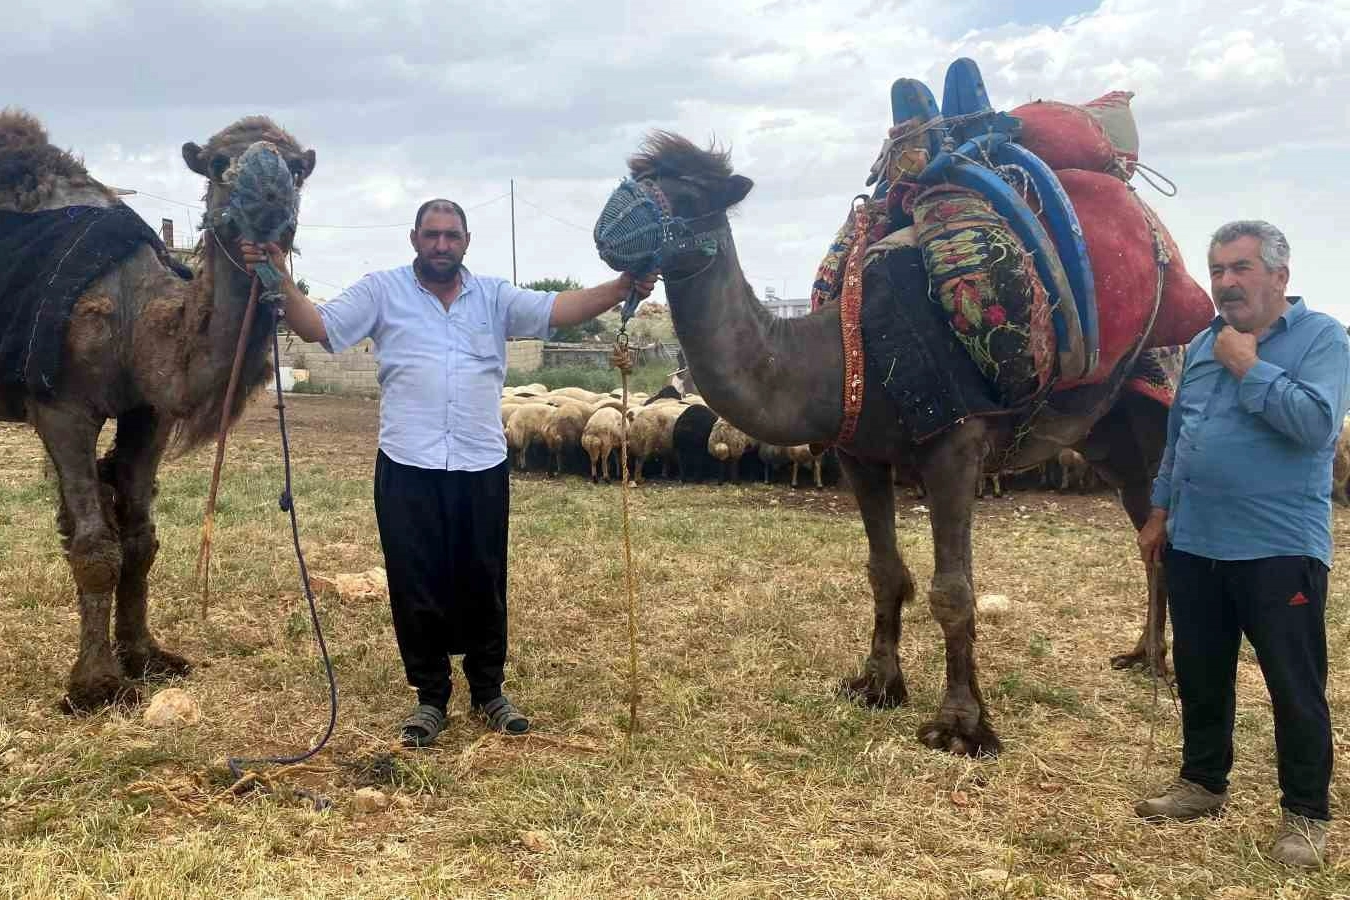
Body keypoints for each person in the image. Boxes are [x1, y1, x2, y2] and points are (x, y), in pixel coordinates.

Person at [242, 198, 656, 746]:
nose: (442, 245)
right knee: (416, 580)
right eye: (432, 235)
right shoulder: (380, 291)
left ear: (466, 241)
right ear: (414, 238)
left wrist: (622, 286)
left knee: (483, 578)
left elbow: (559, 307)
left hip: (479, 462)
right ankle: (430, 696)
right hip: (407, 462)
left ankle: (489, 690)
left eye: (451, 235)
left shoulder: (494, 297)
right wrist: (278, 275)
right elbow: (318, 326)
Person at [1135, 221, 1348, 867]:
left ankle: (1306, 815)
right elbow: (1182, 436)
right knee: (1202, 675)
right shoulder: (1202, 345)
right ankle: (1202, 783)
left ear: (1279, 277)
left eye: (1242, 268)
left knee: (1293, 683)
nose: (1227, 282)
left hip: (1279, 545)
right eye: (1218, 269)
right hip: (1197, 541)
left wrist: (1250, 367)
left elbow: (1315, 427)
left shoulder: (1323, 339)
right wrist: (1159, 509)